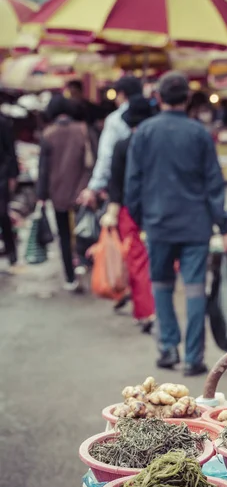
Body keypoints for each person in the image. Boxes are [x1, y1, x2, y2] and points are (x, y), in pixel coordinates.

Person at [124, 71, 227, 376]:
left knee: (161, 286)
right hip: (195, 225)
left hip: (158, 224)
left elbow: (131, 184)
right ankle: (193, 358)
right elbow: (214, 185)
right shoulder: (199, 133)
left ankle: (167, 348)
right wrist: (223, 226)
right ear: (187, 98)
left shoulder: (143, 132)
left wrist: (141, 219)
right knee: (195, 290)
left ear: (158, 97)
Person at [101, 95, 155, 333]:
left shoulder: (123, 145)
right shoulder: (156, 144)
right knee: (156, 262)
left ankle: (146, 312)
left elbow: (115, 184)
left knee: (137, 262)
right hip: (158, 209)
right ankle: (151, 309)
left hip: (128, 212)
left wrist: (112, 211)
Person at [37, 95, 97, 291]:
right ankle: (82, 264)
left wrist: (41, 195)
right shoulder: (82, 130)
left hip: (58, 193)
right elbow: (92, 161)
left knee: (64, 235)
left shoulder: (48, 134)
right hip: (82, 190)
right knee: (85, 231)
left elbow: (43, 169)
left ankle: (70, 277)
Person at [79, 76, 142, 210]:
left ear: (122, 94)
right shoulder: (154, 116)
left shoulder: (115, 120)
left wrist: (94, 187)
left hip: (122, 187)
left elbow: (106, 156)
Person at [0, 112, 19, 269]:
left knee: (3, 214)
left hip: (2, 176)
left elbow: (11, 151)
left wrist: (12, 175)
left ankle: (11, 250)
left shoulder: (4, 122)